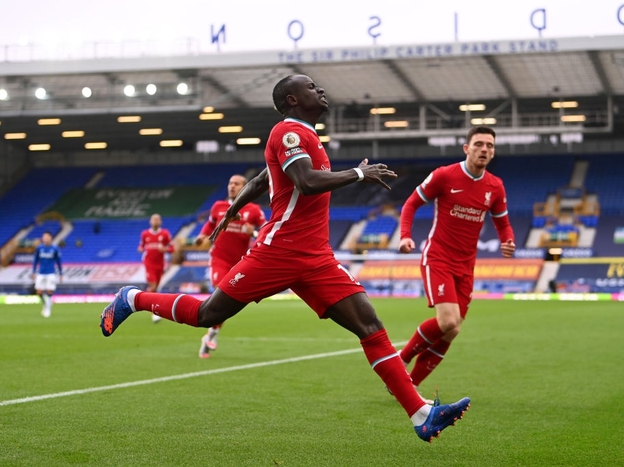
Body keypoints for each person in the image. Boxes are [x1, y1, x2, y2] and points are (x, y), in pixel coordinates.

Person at [100, 74, 470, 442]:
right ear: (292, 99)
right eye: (312, 87)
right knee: (207, 314)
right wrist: (359, 172)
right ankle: (132, 299)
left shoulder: (307, 137)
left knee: (370, 326)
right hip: (279, 251)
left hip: (316, 257)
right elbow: (306, 181)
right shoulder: (287, 132)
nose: (322, 90)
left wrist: (233, 209)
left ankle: (421, 415)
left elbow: (263, 179)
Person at [396, 126, 516, 396]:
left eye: (490, 146)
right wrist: (405, 236)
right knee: (448, 321)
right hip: (438, 257)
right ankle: (400, 360)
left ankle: (410, 385)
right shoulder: (444, 175)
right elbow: (411, 203)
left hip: (466, 266)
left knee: (452, 330)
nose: (485, 149)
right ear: (467, 148)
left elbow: (503, 223)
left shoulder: (495, 186)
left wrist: (507, 240)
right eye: (479, 144)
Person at [194, 174, 267, 358]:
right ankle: (212, 334)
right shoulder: (218, 206)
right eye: (230, 183)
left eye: (237, 184)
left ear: (245, 187)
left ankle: (212, 334)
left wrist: (254, 232)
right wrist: (202, 236)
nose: (232, 186)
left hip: (239, 262)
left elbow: (266, 232)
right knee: (220, 292)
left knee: (226, 302)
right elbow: (210, 225)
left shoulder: (254, 210)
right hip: (219, 258)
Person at [138, 213, 173, 323]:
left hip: (160, 264)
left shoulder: (165, 234)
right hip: (149, 263)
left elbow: (172, 248)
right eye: (154, 219)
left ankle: (142, 299)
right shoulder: (145, 234)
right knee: (152, 285)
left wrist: (165, 250)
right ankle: (153, 312)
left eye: (158, 219)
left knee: (156, 288)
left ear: (161, 222)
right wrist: (140, 248)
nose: (156, 221)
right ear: (150, 222)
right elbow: (141, 245)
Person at [31, 231, 63, 318]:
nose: (45, 238)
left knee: (49, 291)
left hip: (51, 273)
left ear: (50, 238)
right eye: (44, 237)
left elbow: (59, 262)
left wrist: (61, 273)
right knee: (39, 292)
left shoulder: (55, 249)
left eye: (47, 237)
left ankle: (48, 308)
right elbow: (35, 260)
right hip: (41, 273)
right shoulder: (39, 248)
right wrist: (33, 271)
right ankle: (46, 304)